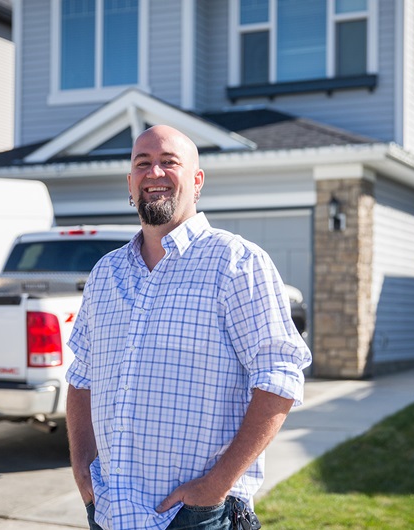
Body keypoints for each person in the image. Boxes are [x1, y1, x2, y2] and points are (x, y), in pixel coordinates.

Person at [65, 125, 312, 530]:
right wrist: (81, 466)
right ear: (130, 183)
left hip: (197, 517)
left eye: (169, 162)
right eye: (142, 163)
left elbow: (280, 378)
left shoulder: (236, 263)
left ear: (197, 182)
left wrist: (215, 486)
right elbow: (82, 375)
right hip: (110, 513)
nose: (154, 172)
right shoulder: (105, 273)